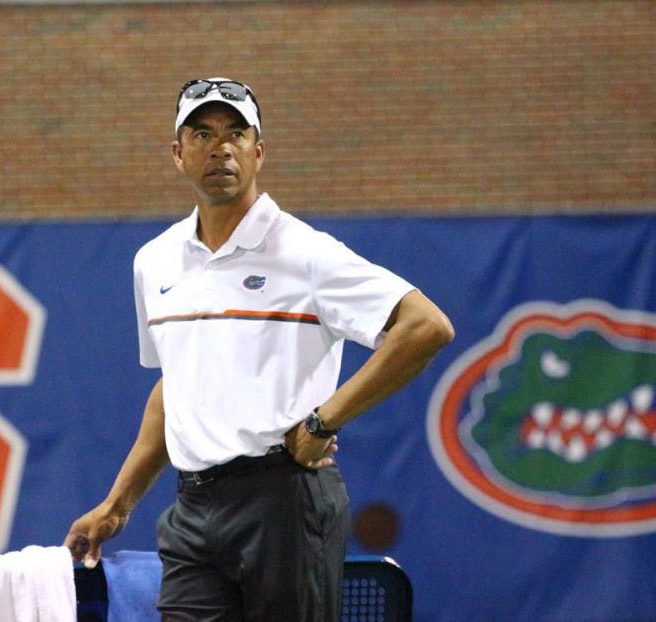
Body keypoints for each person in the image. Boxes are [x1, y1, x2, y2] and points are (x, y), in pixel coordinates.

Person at [64, 77, 455, 621]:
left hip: (286, 501)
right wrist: (118, 504)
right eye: (201, 133)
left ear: (258, 151)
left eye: (235, 133)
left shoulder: (307, 253)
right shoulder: (153, 261)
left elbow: (425, 326)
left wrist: (323, 422)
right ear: (179, 155)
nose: (219, 147)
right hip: (193, 508)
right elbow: (173, 387)